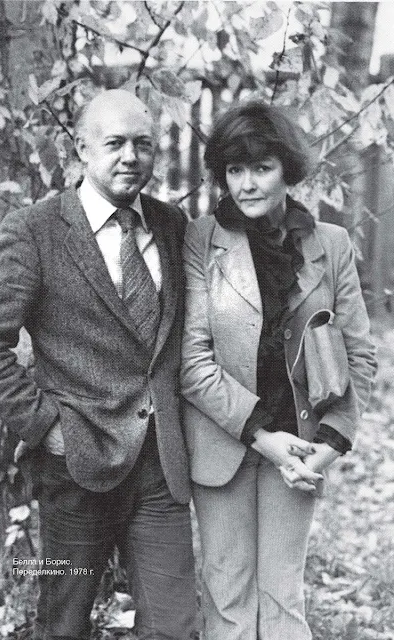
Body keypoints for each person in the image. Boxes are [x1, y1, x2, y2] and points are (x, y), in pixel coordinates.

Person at [0, 89, 196, 640]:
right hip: (74, 469)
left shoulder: (172, 226)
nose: (130, 157)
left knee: (175, 625)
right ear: (82, 150)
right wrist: (47, 427)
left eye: (143, 144)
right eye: (114, 143)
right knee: (64, 622)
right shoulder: (35, 230)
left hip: (161, 466)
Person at [180, 101, 377, 640]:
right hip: (225, 441)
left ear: (287, 170)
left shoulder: (330, 244)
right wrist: (264, 439)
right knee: (228, 596)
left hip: (302, 443)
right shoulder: (201, 240)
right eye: (234, 170)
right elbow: (193, 363)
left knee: (282, 595)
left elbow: (359, 355)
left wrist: (329, 445)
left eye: (261, 168)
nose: (246, 184)